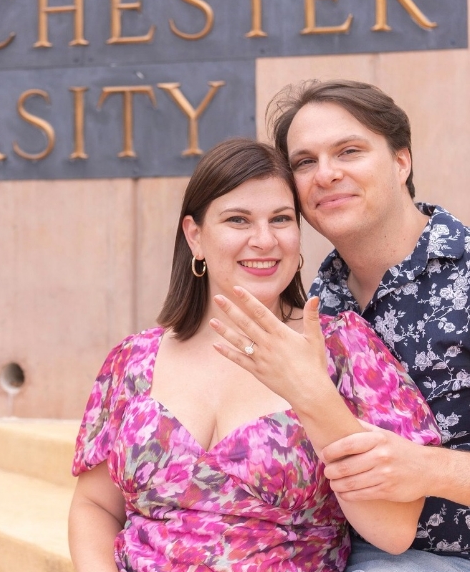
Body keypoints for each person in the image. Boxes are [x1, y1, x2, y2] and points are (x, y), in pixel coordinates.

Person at [67, 138, 441, 572]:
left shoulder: (344, 346)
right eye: (238, 220)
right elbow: (95, 505)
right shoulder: (132, 360)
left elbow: (393, 530)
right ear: (195, 236)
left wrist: (314, 395)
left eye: (281, 219)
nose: (264, 240)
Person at [211, 80, 469, 571]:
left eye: (349, 151)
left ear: (401, 161)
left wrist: (432, 469)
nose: (325, 174)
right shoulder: (316, 302)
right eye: (305, 162)